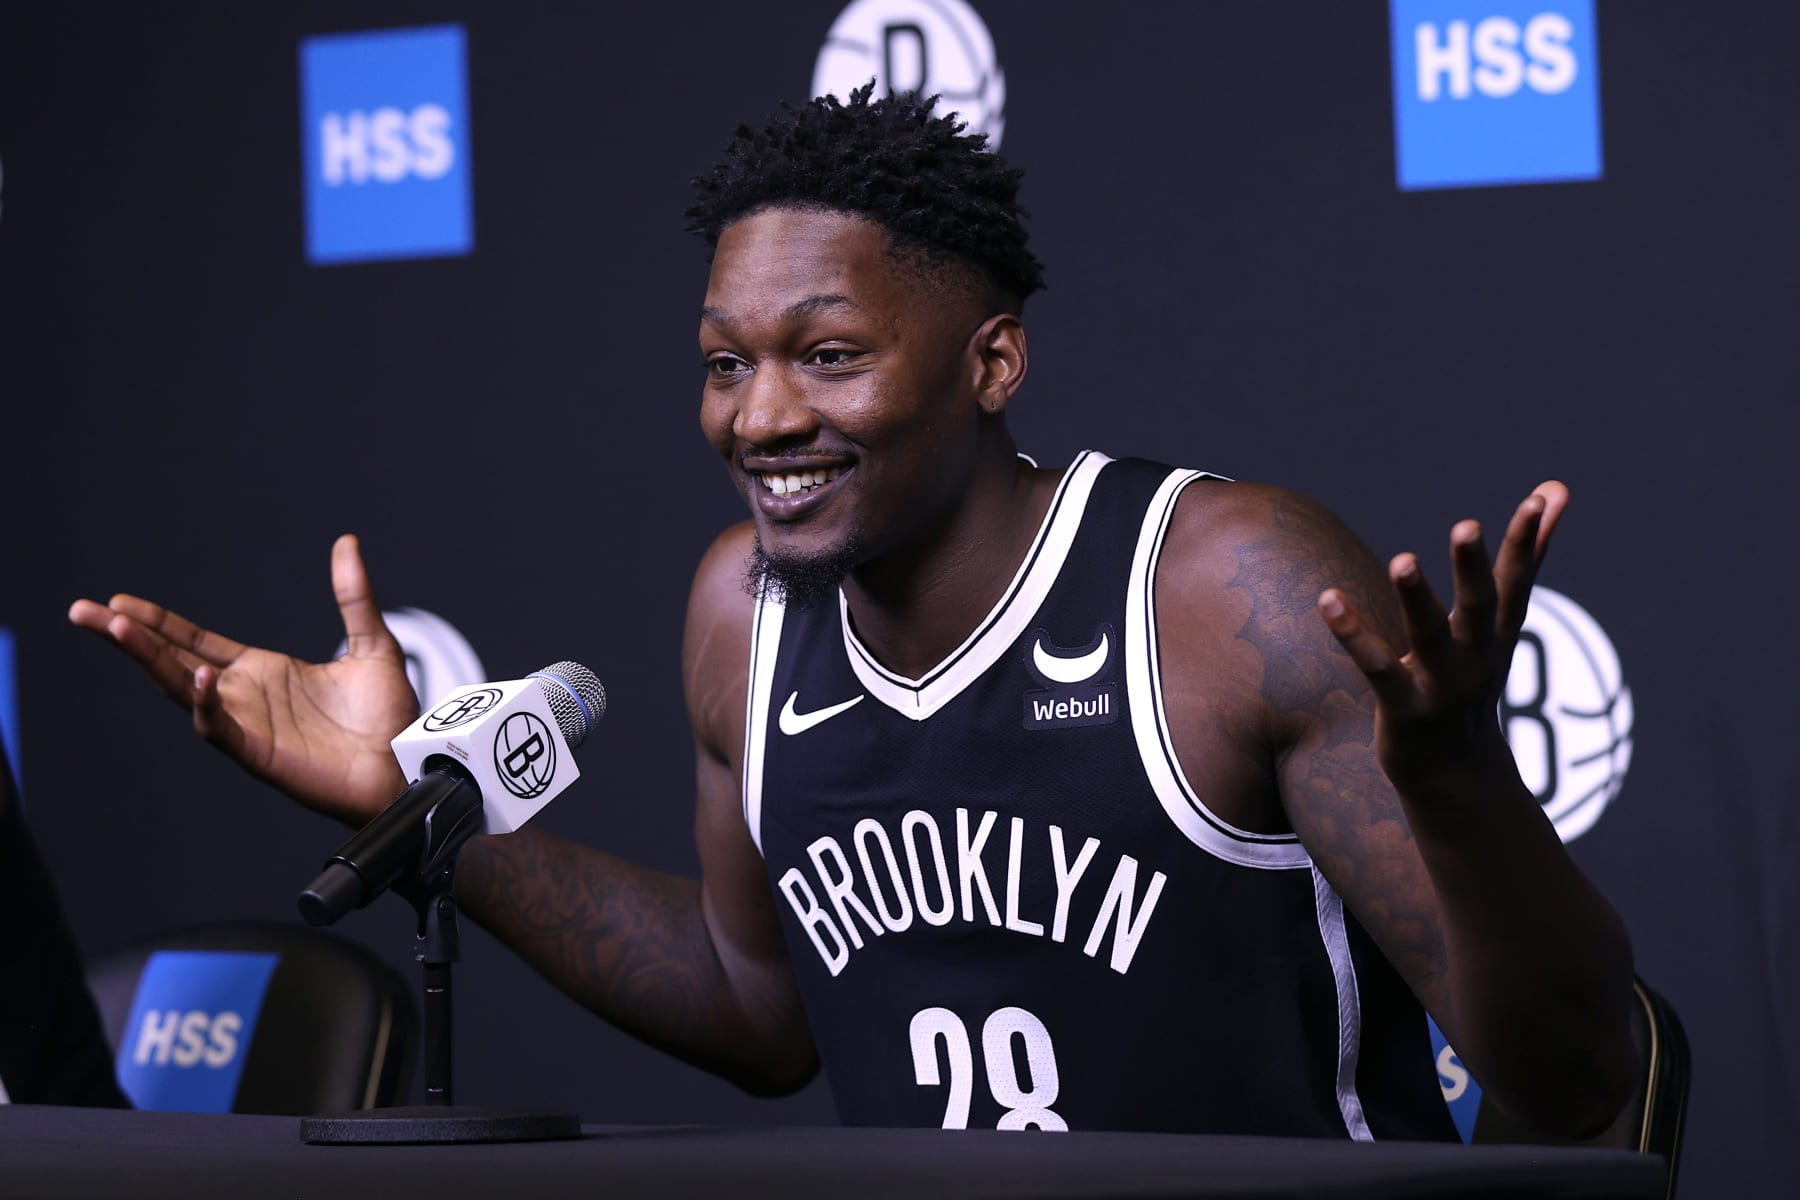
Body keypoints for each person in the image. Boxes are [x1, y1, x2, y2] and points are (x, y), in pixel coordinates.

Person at [68, 86, 1635, 1139]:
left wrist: (1461, 794)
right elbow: (764, 1015)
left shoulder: (1222, 592)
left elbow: (1577, 1085)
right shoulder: (741, 616)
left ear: (992, 364)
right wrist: (439, 814)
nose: (759, 418)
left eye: (826, 355)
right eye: (723, 362)